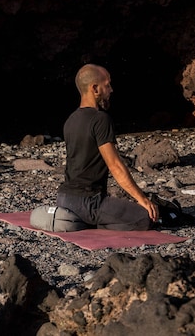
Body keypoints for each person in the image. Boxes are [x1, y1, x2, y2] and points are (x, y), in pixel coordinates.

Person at [56, 64, 158, 230]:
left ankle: (85, 221)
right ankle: (93, 222)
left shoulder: (70, 120)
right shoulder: (100, 119)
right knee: (146, 218)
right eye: (107, 85)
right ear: (95, 89)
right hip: (88, 201)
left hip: (64, 199)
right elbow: (115, 165)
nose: (111, 90)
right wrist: (143, 199)